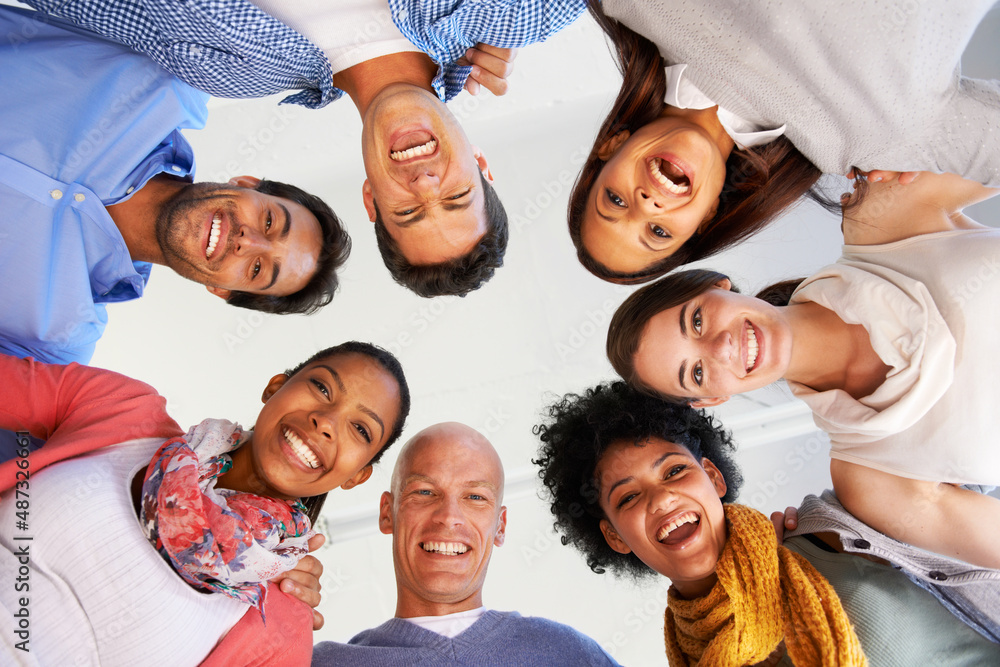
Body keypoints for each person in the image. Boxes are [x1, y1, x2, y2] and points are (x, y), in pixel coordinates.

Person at [21, 0, 589, 297]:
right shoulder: (513, 11)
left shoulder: (227, 70)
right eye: (458, 195)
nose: (424, 184)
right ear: (480, 164)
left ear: (371, 199)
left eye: (408, 211)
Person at [605, 170, 1000, 569]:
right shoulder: (871, 480)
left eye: (696, 322)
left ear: (718, 286)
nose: (721, 347)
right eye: (697, 373)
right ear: (712, 399)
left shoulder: (879, 220)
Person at [0, 341, 411, 666]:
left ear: (357, 476)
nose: (325, 421)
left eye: (360, 429)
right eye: (322, 387)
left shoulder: (283, 624)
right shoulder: (125, 408)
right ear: (275, 387)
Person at [533, 382, 1000, 665]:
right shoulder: (696, 656)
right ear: (615, 535)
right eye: (629, 496)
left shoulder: (829, 529)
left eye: (674, 470)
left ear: (713, 477)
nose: (662, 497)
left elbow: (966, 483)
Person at [0, 5, 349, 366]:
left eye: (258, 269)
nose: (248, 242)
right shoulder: (173, 74)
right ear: (247, 183)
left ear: (222, 290)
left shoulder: (55, 347)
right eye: (270, 222)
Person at [568, 0, 1000, 284]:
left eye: (616, 201)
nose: (646, 203)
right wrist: (897, 145)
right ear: (706, 219)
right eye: (658, 231)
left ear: (611, 145)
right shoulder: (862, 142)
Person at [312, 422, 619, 666]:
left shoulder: (567, 654)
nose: (448, 517)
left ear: (500, 527)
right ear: (387, 514)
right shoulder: (323, 663)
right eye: (424, 492)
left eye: (475, 497)